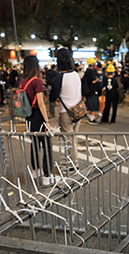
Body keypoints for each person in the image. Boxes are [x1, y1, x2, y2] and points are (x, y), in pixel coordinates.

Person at [22, 55, 55, 185]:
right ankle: (47, 174)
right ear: (35, 66)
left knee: (35, 143)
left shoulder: (23, 81)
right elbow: (41, 103)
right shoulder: (37, 81)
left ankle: (36, 170)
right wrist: (47, 121)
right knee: (47, 144)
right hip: (38, 115)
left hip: (28, 115)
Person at [49, 48, 82, 173]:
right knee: (73, 139)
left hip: (66, 112)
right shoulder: (76, 75)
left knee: (69, 140)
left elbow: (52, 97)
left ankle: (73, 166)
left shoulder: (60, 78)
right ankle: (73, 163)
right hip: (77, 111)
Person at [83, 57, 100, 125]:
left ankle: (90, 117)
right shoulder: (92, 72)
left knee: (89, 105)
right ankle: (91, 119)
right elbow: (93, 81)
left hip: (87, 91)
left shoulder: (87, 71)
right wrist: (97, 79)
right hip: (92, 91)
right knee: (94, 105)